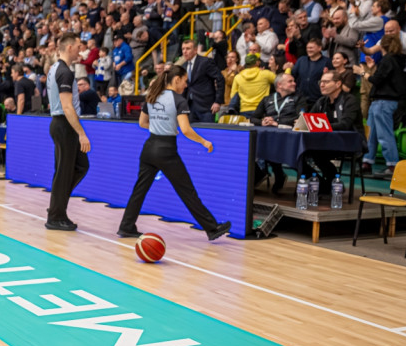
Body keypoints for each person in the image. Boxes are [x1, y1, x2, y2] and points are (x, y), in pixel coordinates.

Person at [117, 65, 230, 241]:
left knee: (139, 190)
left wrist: (163, 127)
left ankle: (126, 226)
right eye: (184, 81)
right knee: (187, 191)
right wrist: (204, 141)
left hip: (149, 148)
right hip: (166, 151)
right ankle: (212, 228)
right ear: (177, 79)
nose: (185, 85)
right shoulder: (179, 100)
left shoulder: (152, 95)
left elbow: (142, 123)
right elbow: (186, 130)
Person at [45, 33, 90, 231]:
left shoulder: (55, 68)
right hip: (64, 124)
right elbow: (67, 106)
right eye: (78, 47)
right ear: (70, 47)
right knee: (64, 172)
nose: (80, 50)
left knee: (80, 166)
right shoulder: (64, 72)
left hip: (61, 124)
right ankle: (55, 216)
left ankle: (57, 205)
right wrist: (81, 133)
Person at [358, 35, 406, 176]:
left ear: (382, 46)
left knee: (384, 134)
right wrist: (373, 68)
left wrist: (363, 72)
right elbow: (384, 78)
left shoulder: (388, 60)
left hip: (384, 102)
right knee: (372, 134)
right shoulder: (394, 60)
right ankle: (367, 163)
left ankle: (392, 166)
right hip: (381, 101)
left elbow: (376, 80)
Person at [250, 74, 307, 194]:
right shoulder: (267, 99)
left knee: (274, 147)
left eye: (294, 81)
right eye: (290, 81)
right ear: (279, 85)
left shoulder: (299, 99)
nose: (294, 83)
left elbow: (300, 118)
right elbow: (253, 118)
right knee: (261, 146)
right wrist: (262, 122)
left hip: (290, 137)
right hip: (271, 136)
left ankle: (284, 175)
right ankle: (277, 174)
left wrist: (277, 122)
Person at [308, 70, 364, 188]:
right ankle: (325, 183)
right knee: (301, 150)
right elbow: (309, 120)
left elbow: (345, 124)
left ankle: (330, 182)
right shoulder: (322, 101)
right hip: (326, 142)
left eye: (326, 82)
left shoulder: (350, 100)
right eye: (321, 82)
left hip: (348, 142)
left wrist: (319, 126)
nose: (322, 85)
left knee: (316, 152)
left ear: (338, 84)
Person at [179, 39, 223, 122]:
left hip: (206, 107)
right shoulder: (184, 66)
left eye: (188, 48)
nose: (184, 51)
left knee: (206, 130)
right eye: (183, 49)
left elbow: (220, 79)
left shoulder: (205, 62)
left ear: (195, 50)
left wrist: (218, 101)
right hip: (190, 108)